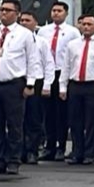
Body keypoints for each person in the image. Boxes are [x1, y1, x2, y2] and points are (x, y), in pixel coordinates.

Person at [0, 0, 43, 176]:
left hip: (14, 84)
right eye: (1, 9)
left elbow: (33, 60)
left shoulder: (25, 34)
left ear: (17, 14)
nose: (3, 13)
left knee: (14, 124)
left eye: (8, 10)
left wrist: (30, 84)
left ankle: (13, 160)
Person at [60, 14, 94, 165]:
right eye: (83, 24)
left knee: (92, 121)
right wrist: (63, 86)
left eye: (89, 24)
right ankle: (77, 152)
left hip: (93, 85)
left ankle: (90, 152)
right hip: (75, 84)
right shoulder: (72, 44)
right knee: (75, 120)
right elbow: (66, 66)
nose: (86, 27)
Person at [38, 1, 81, 162]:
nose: (56, 13)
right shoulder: (43, 31)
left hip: (63, 73)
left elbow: (76, 54)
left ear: (66, 13)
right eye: (54, 10)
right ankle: (49, 145)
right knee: (47, 112)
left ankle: (61, 146)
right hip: (47, 73)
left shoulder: (72, 32)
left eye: (59, 11)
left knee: (62, 112)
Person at [18, 11, 54, 164]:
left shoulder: (41, 42)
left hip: (37, 82)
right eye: (22, 20)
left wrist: (47, 84)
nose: (24, 23)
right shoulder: (14, 40)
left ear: (35, 23)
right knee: (18, 119)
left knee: (34, 118)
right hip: (18, 81)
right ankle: (19, 152)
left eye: (28, 20)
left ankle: (32, 151)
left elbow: (49, 64)